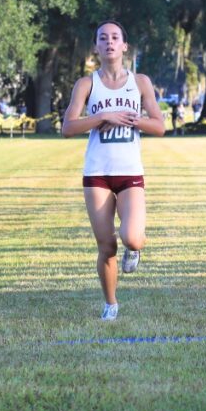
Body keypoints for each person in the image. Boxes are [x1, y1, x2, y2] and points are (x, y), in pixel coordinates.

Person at [61, 20, 165, 321]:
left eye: (115, 37)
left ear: (124, 46)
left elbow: (159, 126)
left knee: (131, 237)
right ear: (96, 46)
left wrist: (131, 120)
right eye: (103, 38)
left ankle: (135, 250)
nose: (109, 42)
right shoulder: (86, 84)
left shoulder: (140, 82)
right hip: (97, 173)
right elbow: (68, 127)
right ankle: (110, 303)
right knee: (106, 245)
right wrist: (103, 116)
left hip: (129, 171)